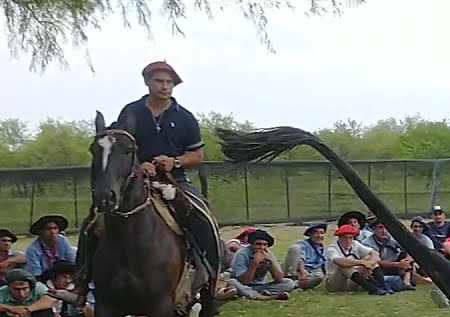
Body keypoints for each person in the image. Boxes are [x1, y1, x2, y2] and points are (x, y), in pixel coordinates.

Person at [74, 61, 222, 302]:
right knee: (93, 222)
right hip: (134, 182)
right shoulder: (130, 112)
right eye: (159, 81)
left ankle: (213, 278)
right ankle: (80, 282)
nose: (164, 87)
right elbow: (120, 145)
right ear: (147, 82)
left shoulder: (185, 118)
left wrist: (173, 162)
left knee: (203, 218)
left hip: (175, 180)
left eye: (169, 82)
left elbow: (197, 156)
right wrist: (138, 165)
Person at [226, 229, 295, 300]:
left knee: (289, 283)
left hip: (260, 286)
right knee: (232, 282)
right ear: (252, 244)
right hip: (243, 285)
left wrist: (272, 262)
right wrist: (255, 263)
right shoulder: (241, 254)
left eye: (265, 245)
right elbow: (244, 281)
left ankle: (256, 293)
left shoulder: (268, 254)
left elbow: (279, 279)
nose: (262, 248)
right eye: (258, 244)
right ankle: (265, 297)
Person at [24, 215, 77, 281]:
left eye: (55, 228)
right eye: (48, 229)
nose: (53, 232)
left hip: (66, 277)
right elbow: (36, 274)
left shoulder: (63, 241)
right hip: (44, 279)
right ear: (40, 232)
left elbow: (72, 261)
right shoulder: (33, 250)